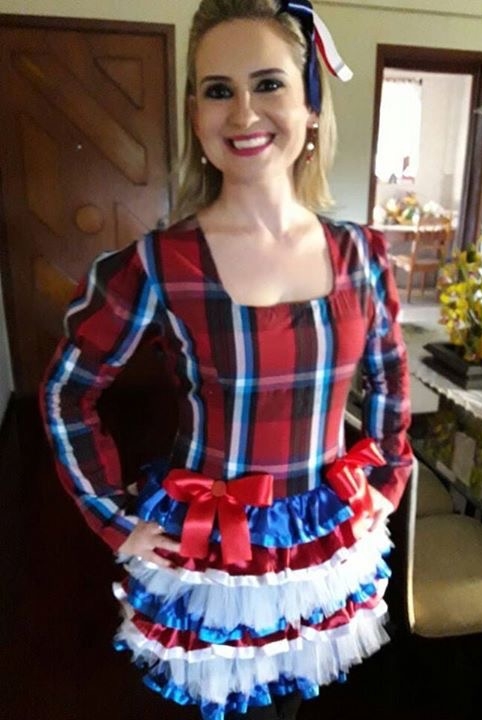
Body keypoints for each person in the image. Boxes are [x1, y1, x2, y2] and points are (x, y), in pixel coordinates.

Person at [40, 1, 413, 718]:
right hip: (211, 549)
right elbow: (66, 392)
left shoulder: (360, 256)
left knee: (292, 703)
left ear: (309, 105)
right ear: (195, 113)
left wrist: (387, 480)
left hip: (321, 539)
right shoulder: (158, 264)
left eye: (268, 83)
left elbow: (391, 377)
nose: (244, 112)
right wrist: (113, 516)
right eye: (219, 90)